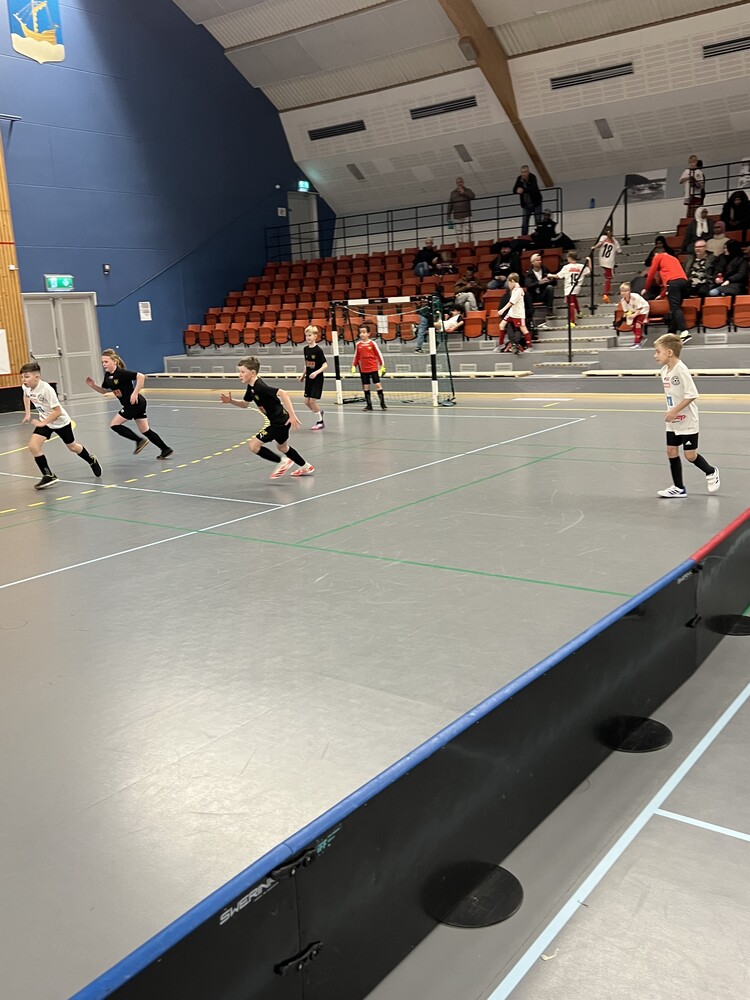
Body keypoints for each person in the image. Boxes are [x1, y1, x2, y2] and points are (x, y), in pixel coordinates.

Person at [219, 357, 314, 478]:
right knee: (283, 447)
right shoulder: (251, 387)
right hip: (282, 420)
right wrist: (231, 401)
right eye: (239, 372)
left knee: (253, 446)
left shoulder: (259, 387)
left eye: (243, 372)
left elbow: (283, 393)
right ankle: (306, 466)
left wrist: (292, 415)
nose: (240, 375)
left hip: (279, 423)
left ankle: (283, 462)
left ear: (253, 373)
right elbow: (244, 404)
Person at [653, 333, 719, 498]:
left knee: (690, 455)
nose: (655, 355)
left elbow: (692, 395)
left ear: (669, 352)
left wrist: (674, 411)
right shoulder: (664, 371)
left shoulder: (681, 370)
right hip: (673, 420)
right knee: (671, 451)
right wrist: (671, 411)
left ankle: (711, 471)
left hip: (688, 420)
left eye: (658, 351)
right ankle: (679, 488)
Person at [20, 361, 102, 490]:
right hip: (45, 422)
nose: (24, 380)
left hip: (60, 422)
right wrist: (28, 413)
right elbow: (26, 396)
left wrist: (42, 422)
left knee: (73, 447)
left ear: (36, 377)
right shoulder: (26, 387)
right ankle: (48, 475)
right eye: (22, 377)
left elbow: (57, 412)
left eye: (26, 377)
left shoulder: (47, 390)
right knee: (33, 446)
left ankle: (91, 459)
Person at [85, 349, 173, 459]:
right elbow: (104, 391)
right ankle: (165, 449)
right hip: (136, 404)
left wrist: (135, 393)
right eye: (102, 362)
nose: (104, 364)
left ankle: (139, 441)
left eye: (106, 362)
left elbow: (141, 376)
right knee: (145, 430)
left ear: (114, 361)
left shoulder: (121, 373)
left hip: (134, 403)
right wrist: (93, 386)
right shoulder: (108, 376)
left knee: (114, 425)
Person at [643, 250, 691, 344]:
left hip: (673, 284)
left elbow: (651, 273)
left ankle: (684, 331)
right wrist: (662, 295)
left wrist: (646, 288)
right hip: (684, 283)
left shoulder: (658, 256)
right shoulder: (673, 259)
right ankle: (671, 335)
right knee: (674, 310)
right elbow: (674, 278)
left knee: (675, 308)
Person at [549, 250, 591, 327]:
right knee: (574, 299)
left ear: (569, 258)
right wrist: (589, 261)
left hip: (569, 287)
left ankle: (572, 321)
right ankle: (579, 312)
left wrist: (550, 275)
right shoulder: (581, 266)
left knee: (571, 304)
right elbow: (589, 270)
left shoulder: (566, 267)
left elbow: (558, 276)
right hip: (577, 287)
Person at [299, 325, 328, 430]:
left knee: (312, 401)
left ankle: (320, 422)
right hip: (309, 379)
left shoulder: (318, 350)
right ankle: (319, 412)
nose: (308, 337)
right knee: (306, 402)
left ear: (315, 336)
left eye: (310, 335)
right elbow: (307, 364)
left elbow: (325, 365)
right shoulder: (306, 349)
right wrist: (303, 375)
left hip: (317, 379)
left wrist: (316, 373)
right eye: (306, 335)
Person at [352, 324, 387, 411]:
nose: (362, 334)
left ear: (368, 333)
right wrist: (354, 365)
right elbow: (356, 356)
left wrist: (382, 365)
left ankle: (382, 404)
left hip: (373, 367)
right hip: (364, 369)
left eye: (364, 332)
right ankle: (369, 405)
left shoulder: (372, 343)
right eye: (361, 332)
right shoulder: (358, 345)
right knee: (366, 386)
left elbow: (378, 354)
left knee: (378, 384)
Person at [495, 273, 530, 353]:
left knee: (523, 328)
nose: (508, 285)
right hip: (511, 313)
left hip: (518, 314)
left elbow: (511, 302)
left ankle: (529, 346)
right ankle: (501, 344)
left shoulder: (518, 291)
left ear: (513, 281)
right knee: (501, 325)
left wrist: (502, 310)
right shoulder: (515, 290)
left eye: (509, 283)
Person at [614, 283, 650, 348]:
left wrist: (633, 315)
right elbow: (626, 311)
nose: (624, 293)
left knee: (637, 324)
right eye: (622, 291)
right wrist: (623, 319)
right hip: (633, 311)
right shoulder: (622, 301)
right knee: (632, 325)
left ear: (629, 291)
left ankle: (637, 343)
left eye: (626, 291)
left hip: (643, 310)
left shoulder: (635, 297)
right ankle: (641, 337)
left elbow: (639, 308)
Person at [524, 252, 556, 324]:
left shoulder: (545, 269)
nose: (540, 261)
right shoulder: (529, 273)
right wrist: (539, 283)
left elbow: (554, 283)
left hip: (543, 294)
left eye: (540, 260)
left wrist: (551, 280)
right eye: (537, 260)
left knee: (550, 287)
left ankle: (549, 310)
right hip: (533, 296)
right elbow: (528, 285)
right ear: (532, 262)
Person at [592, 226, 622, 302]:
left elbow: (600, 243)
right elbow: (619, 251)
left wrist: (594, 247)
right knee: (609, 277)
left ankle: (606, 292)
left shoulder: (603, 237)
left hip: (602, 259)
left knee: (607, 274)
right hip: (609, 261)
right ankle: (606, 293)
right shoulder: (615, 241)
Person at [514, 165, 543, 235]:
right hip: (526, 205)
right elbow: (514, 189)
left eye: (525, 172)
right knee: (524, 222)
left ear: (528, 172)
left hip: (536, 203)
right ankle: (524, 236)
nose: (523, 174)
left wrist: (523, 190)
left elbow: (533, 188)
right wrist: (517, 190)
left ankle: (540, 234)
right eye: (522, 172)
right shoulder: (519, 179)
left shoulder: (532, 177)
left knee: (538, 220)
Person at [446, 177, 475, 241]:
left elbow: (472, 196)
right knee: (458, 232)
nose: (459, 184)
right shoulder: (453, 193)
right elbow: (450, 204)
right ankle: (460, 244)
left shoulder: (467, 190)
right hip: (457, 215)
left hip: (467, 214)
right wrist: (448, 216)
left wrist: (463, 192)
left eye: (460, 182)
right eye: (457, 182)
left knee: (468, 230)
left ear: (463, 182)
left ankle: (469, 244)